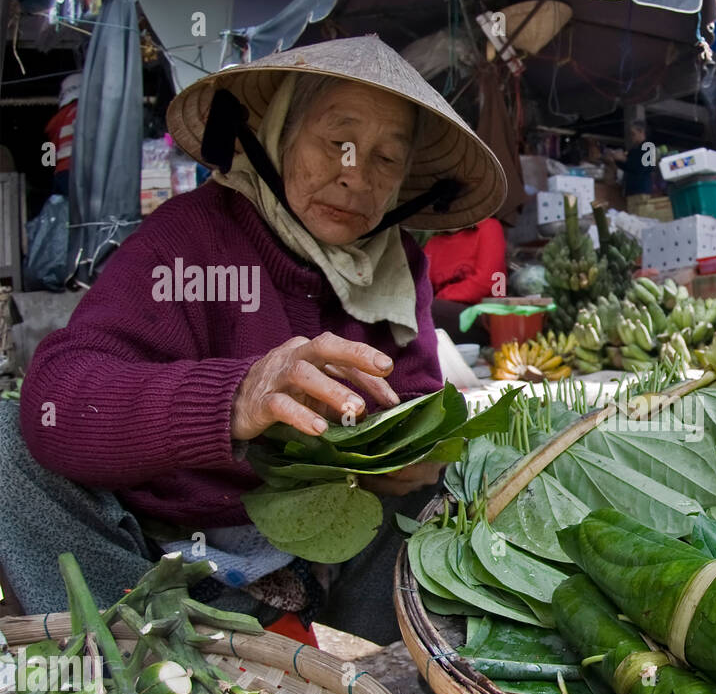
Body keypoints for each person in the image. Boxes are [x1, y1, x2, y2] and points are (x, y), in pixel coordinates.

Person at [0, 37, 507, 645]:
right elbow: (59, 397)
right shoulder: (189, 238)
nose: (354, 176)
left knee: (462, 483)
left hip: (321, 555)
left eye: (386, 159)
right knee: (12, 446)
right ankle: (137, 654)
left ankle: (364, 673)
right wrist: (235, 397)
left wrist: (395, 456)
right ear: (279, 134)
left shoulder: (398, 266)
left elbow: (415, 405)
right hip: (160, 559)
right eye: (335, 141)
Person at [422, 218, 507, 331]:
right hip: (443, 311)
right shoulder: (433, 243)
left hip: (484, 314)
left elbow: (487, 282)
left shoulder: (488, 227)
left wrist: (441, 297)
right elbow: (423, 287)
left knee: (426, 309)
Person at [43, 72, 80, 195]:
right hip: (77, 170)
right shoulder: (80, 111)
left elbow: (48, 157)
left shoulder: (57, 120)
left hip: (60, 173)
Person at [607, 119, 656, 197]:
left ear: (641, 132)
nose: (631, 137)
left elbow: (640, 168)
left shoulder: (648, 147)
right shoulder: (634, 149)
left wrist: (623, 159)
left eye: (633, 134)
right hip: (631, 190)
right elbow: (627, 167)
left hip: (641, 190)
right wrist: (616, 159)